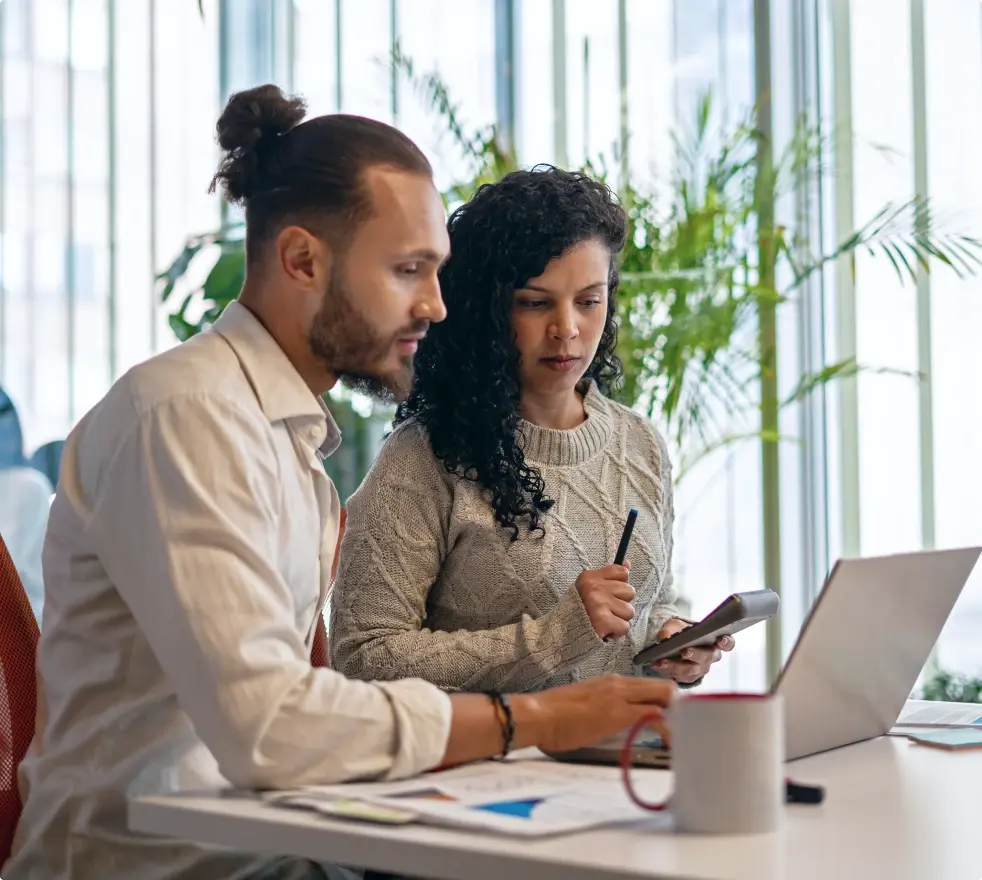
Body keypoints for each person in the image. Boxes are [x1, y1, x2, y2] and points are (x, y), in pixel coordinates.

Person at [4, 88, 675, 880]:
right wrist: (530, 718)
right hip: (163, 868)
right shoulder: (186, 420)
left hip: (277, 847)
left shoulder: (279, 432)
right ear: (302, 261)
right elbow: (270, 725)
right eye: (407, 271)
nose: (435, 304)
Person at [329, 167, 734, 694]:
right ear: (487, 310)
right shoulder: (424, 457)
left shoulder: (640, 443)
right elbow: (363, 655)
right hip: (489, 768)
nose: (566, 328)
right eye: (536, 303)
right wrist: (552, 638)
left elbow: (648, 604)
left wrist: (670, 637)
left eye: (589, 301)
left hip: (625, 756)